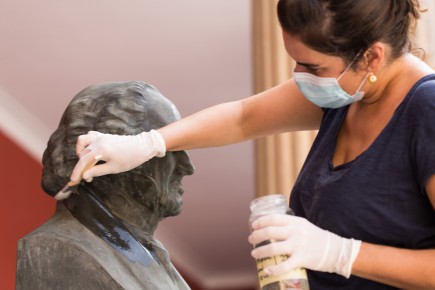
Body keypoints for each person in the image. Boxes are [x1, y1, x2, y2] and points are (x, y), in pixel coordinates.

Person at [69, 0, 435, 289]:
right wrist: (147, 143)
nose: (299, 77)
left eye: (312, 67)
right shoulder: (350, 91)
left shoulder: (426, 108)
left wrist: (339, 253)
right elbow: (245, 117)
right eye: (295, 62)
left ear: (371, 56)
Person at [16, 81, 194, 290]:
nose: (188, 167)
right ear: (105, 156)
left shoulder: (152, 256)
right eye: (170, 150)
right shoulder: (60, 248)